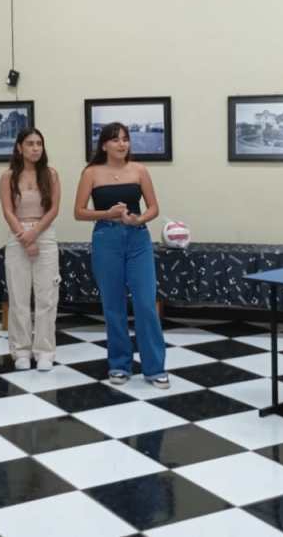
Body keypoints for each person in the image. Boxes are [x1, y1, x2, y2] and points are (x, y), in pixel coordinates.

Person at [74, 122, 168, 389]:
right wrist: (107, 214)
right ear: (104, 145)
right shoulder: (91, 173)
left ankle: (155, 368)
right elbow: (79, 211)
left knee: (146, 304)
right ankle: (119, 364)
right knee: (113, 305)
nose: (122, 144)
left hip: (138, 239)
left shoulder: (139, 170)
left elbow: (153, 207)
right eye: (115, 140)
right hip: (106, 239)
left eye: (125, 139)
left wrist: (138, 219)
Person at [0, 128, 61, 371]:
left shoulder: (51, 174)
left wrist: (34, 234)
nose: (35, 148)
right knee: (19, 297)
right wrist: (24, 237)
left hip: (44, 234)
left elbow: (54, 209)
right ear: (19, 147)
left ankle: (44, 351)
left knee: (46, 297)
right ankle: (21, 350)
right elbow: (7, 211)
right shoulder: (8, 176)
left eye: (39, 144)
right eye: (30, 143)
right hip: (18, 236)